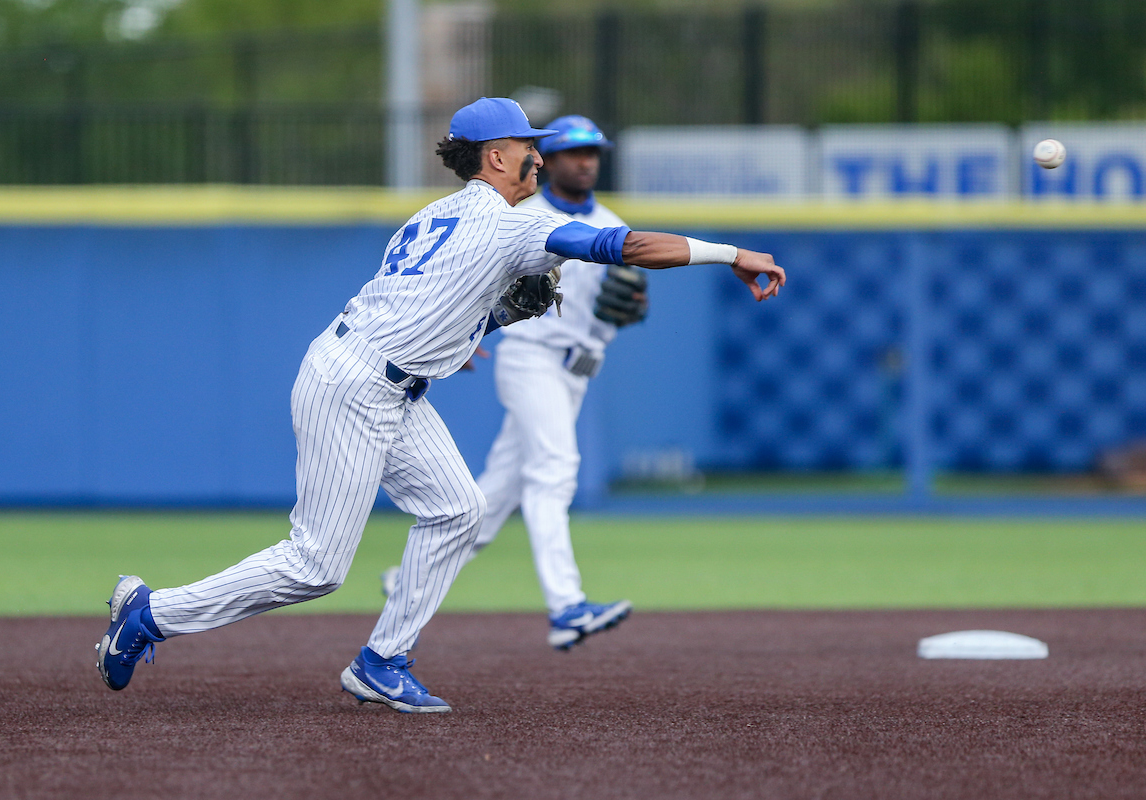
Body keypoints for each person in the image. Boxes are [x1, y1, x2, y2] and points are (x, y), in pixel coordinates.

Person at [96, 97, 785, 714]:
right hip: (356, 386)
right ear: (496, 157)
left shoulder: (436, 215)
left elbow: (434, 304)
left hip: (380, 376)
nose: (538, 157)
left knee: (458, 510)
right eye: (527, 147)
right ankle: (150, 614)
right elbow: (625, 247)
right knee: (316, 566)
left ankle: (382, 661)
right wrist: (733, 254)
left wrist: (479, 327)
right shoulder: (517, 226)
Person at [419, 115, 647, 650]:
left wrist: (629, 309)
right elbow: (468, 277)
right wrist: (463, 328)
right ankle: (567, 607)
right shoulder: (524, 215)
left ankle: (408, 579)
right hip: (531, 358)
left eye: (593, 151)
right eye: (572, 153)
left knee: (500, 488)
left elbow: (614, 305)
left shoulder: (611, 222)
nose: (584, 161)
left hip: (578, 369)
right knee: (554, 469)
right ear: (552, 160)